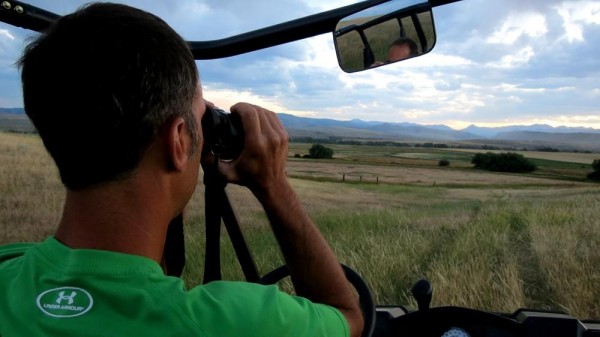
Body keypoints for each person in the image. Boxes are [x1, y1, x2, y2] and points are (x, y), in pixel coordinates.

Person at [0, 3, 363, 337]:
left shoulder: (8, 266)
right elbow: (347, 317)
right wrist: (273, 185)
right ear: (179, 140)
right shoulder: (230, 322)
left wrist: (186, 140)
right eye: (198, 121)